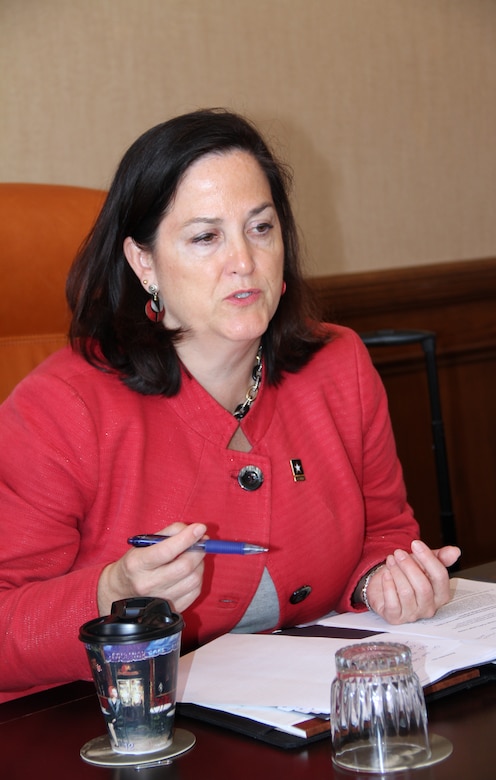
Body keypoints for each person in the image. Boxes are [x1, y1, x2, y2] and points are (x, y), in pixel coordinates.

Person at [0, 108, 460, 702]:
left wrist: (385, 580)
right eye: (205, 237)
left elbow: (385, 532)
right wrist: (106, 594)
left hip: (299, 720)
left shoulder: (337, 365)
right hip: (101, 730)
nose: (243, 260)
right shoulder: (58, 409)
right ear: (144, 263)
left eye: (260, 228)